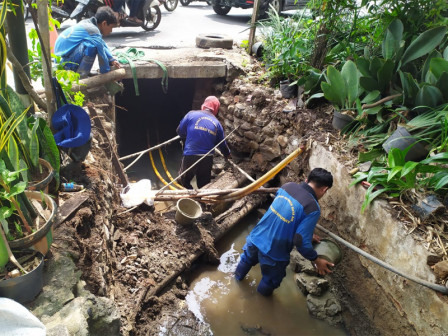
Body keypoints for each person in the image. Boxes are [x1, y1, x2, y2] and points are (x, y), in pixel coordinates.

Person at [234, 168, 334, 296]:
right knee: (270, 280)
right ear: (324, 189)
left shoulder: (288, 186)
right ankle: (260, 302)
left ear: (306, 180)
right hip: (274, 252)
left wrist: (307, 235)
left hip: (255, 237)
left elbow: (283, 215)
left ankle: (236, 282)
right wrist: (316, 260)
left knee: (246, 260)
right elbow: (300, 242)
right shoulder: (312, 207)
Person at [176, 96, 231, 189]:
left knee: (183, 180)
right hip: (207, 158)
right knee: (204, 184)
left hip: (191, 154)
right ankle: (202, 200)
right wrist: (227, 154)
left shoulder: (191, 114)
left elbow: (180, 131)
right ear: (216, 109)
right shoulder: (217, 123)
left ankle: (189, 196)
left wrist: (188, 138)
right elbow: (222, 144)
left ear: (204, 105)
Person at [54, 6, 121, 78]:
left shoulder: (88, 24)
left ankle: (82, 73)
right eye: (111, 27)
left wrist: (111, 59)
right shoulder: (93, 30)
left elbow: (101, 43)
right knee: (91, 46)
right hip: (64, 64)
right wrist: (106, 73)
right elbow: (101, 53)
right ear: (104, 23)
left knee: (95, 43)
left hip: (61, 60)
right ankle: (81, 76)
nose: (111, 31)